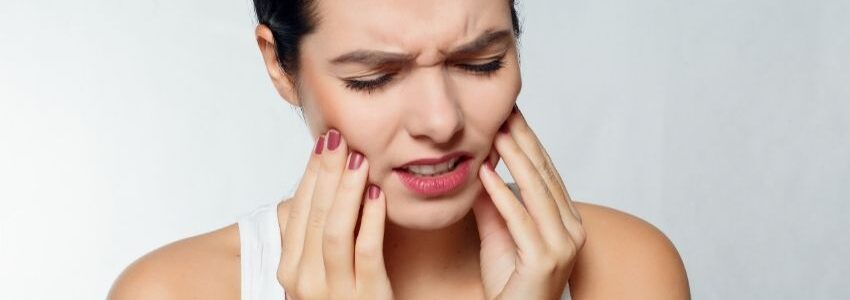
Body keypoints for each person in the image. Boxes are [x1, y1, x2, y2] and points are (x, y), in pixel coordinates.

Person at [108, 0, 690, 299]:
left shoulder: (625, 270)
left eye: (480, 63)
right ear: (280, 67)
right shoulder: (174, 293)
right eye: (374, 77)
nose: (441, 121)